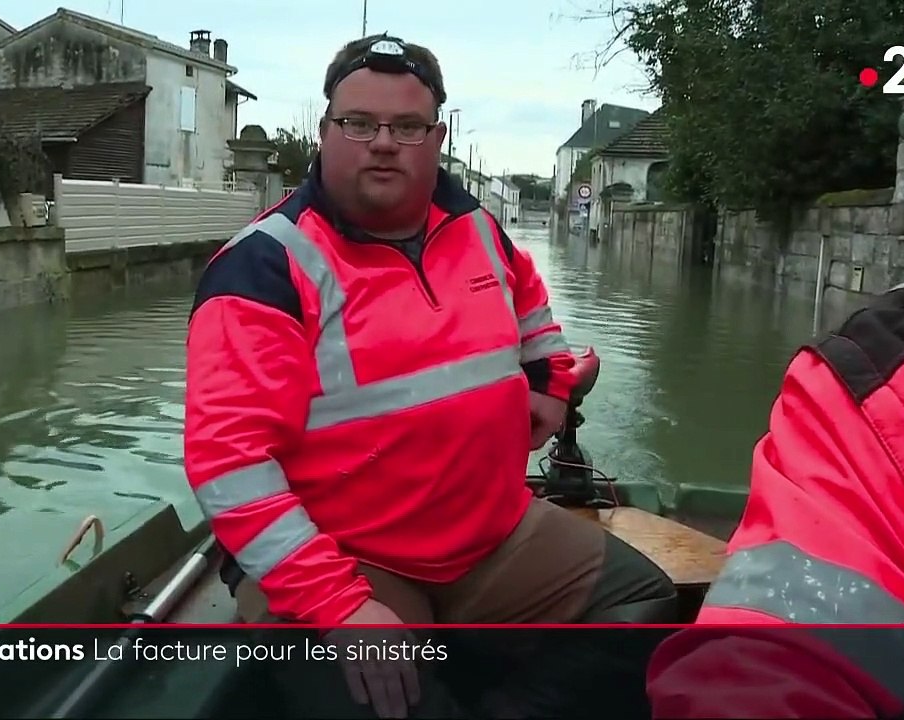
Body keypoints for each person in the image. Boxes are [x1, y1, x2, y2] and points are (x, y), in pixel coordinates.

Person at [183, 33, 678, 719]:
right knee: (382, 700)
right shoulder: (262, 269)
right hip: (348, 557)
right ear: (324, 132)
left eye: (407, 126)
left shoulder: (476, 226)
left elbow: (531, 304)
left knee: (643, 604)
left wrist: (551, 385)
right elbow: (228, 464)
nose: (383, 142)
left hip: (488, 535)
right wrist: (341, 605)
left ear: (435, 137)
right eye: (359, 122)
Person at [645, 243, 904, 718]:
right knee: (636, 590)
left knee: (636, 591)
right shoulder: (889, 371)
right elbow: (770, 670)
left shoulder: (896, 363)